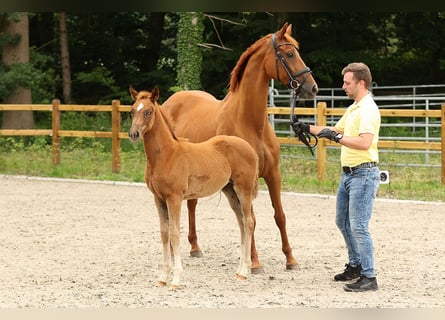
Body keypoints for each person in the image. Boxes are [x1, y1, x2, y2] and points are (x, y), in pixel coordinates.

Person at [292, 62, 381, 292]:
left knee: (359, 226)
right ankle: (355, 265)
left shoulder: (367, 110)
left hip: (363, 173)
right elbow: (335, 130)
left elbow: (364, 142)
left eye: (347, 82)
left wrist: (336, 138)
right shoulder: (353, 108)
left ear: (360, 83)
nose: (343, 86)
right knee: (342, 222)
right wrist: (306, 127)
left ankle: (369, 277)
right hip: (349, 174)